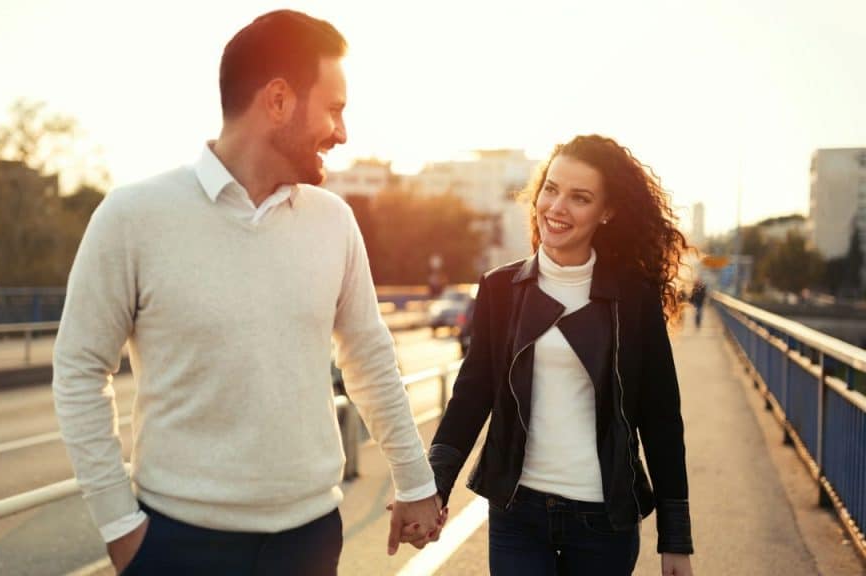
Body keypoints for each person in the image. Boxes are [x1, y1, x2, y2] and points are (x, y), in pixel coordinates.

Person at [52, 10, 443, 575]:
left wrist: (414, 480)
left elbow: (368, 356)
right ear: (279, 100)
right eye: (333, 109)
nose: (343, 132)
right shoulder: (133, 217)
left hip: (307, 543)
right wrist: (120, 529)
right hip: (178, 545)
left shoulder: (334, 221)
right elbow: (79, 368)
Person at [428, 135, 695, 576]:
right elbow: (472, 395)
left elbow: (662, 418)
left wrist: (677, 539)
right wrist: (433, 486)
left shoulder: (634, 299)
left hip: (603, 521)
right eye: (550, 189)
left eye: (580, 197)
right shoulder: (500, 288)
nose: (557, 207)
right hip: (518, 514)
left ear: (606, 212)